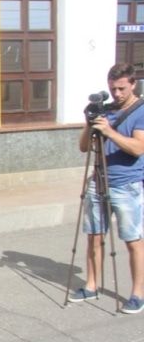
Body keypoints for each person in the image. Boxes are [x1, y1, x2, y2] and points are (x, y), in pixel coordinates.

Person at [68, 62, 144, 314]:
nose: (117, 94)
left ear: (133, 84)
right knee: (94, 236)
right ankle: (91, 285)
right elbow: (83, 147)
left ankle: (137, 294)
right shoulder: (105, 110)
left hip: (127, 184)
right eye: (113, 89)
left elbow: (137, 148)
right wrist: (89, 123)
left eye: (122, 88)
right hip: (98, 181)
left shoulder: (140, 110)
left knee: (133, 240)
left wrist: (109, 131)